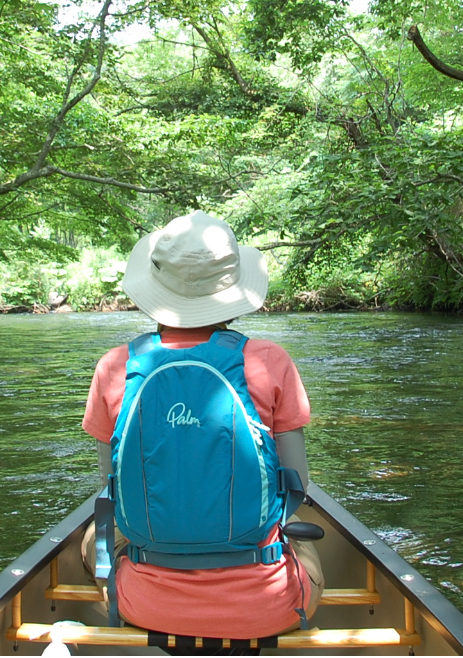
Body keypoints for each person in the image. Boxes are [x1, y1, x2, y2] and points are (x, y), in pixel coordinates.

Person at [82, 210, 324, 642]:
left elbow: (111, 485)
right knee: (305, 539)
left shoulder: (115, 366)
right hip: (268, 607)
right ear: (231, 289)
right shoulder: (269, 361)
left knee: (89, 538)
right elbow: (298, 484)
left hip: (146, 606)